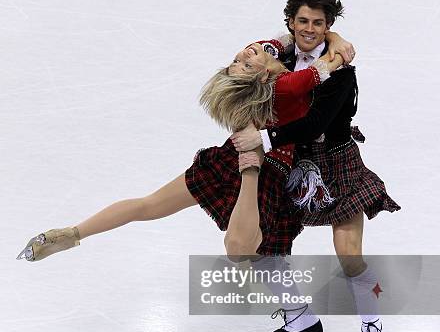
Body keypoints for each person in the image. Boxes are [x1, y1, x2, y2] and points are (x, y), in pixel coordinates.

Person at [16, 37, 347, 265]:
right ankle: (250, 176)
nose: (244, 54)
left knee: (148, 205)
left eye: (239, 59)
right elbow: (336, 57)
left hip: (231, 154)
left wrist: (273, 45)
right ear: (261, 77)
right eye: (241, 63)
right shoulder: (288, 84)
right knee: (240, 251)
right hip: (272, 165)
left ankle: (71, 233)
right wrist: (333, 35)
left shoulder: (267, 61)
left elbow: (271, 43)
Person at [231, 0, 400, 332]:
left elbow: (316, 123)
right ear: (291, 22)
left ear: (328, 26)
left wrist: (265, 138)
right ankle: (299, 322)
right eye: (303, 21)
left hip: (337, 165)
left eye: (319, 23)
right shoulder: (278, 54)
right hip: (292, 164)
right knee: (262, 243)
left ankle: (373, 330)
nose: (310, 29)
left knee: (350, 253)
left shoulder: (340, 71)